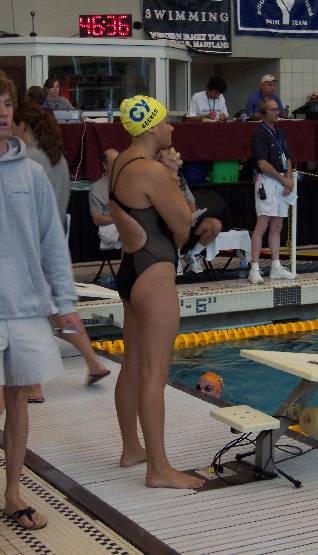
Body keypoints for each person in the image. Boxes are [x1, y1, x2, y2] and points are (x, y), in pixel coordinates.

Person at [109, 94, 204, 489]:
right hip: (154, 273)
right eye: (165, 121)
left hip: (130, 271)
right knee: (154, 373)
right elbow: (184, 225)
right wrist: (172, 175)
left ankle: (132, 448)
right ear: (150, 127)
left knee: (132, 365)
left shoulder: (121, 163)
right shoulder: (152, 171)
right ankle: (159, 469)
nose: (171, 127)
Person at [0, 73, 81, 530]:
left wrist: (64, 301)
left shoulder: (31, 173)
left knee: (18, 402)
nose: (2, 112)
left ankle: (12, 493)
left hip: (26, 308)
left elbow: (52, 242)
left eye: (6, 103)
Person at [13, 100, 111, 399]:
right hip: (55, 239)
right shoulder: (57, 160)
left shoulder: (27, 160)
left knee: (34, 314)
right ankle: (93, 362)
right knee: (59, 310)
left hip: (32, 245)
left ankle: (34, 385)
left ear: (21, 126)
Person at [248, 98, 296, 284]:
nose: (277, 113)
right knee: (262, 225)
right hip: (267, 181)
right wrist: (283, 179)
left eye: (278, 110)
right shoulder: (259, 134)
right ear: (264, 113)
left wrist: (288, 180)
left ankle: (276, 266)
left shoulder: (280, 133)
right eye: (273, 110)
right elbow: (262, 163)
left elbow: (288, 158)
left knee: (277, 226)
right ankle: (254, 268)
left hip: (282, 181)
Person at [177, 171, 222, 274]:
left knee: (215, 224)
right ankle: (176, 257)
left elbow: (191, 201)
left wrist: (194, 216)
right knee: (179, 225)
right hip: (174, 223)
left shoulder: (182, 181)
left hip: (188, 221)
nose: (179, 164)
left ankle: (193, 254)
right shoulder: (164, 183)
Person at [89, 149, 121, 250]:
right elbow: (97, 219)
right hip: (110, 227)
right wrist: (121, 220)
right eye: (114, 163)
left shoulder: (128, 182)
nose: (117, 166)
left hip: (130, 225)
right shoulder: (96, 188)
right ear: (105, 165)